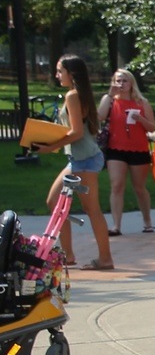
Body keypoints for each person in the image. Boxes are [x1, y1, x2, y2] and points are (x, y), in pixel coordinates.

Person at [31, 55, 114, 270]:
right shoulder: (78, 94)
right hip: (79, 159)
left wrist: (50, 146)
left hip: (84, 160)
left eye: (60, 71)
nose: (57, 75)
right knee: (54, 201)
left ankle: (105, 259)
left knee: (91, 208)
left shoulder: (73, 96)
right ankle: (67, 255)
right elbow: (75, 130)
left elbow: (76, 132)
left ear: (72, 73)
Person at [102, 67, 155, 235]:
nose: (121, 84)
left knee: (139, 187)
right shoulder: (110, 100)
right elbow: (98, 116)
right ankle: (116, 226)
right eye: (118, 80)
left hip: (138, 149)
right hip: (115, 149)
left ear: (132, 83)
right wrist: (109, 96)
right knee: (117, 185)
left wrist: (140, 119)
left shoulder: (142, 102)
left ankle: (147, 221)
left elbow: (152, 127)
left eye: (124, 80)